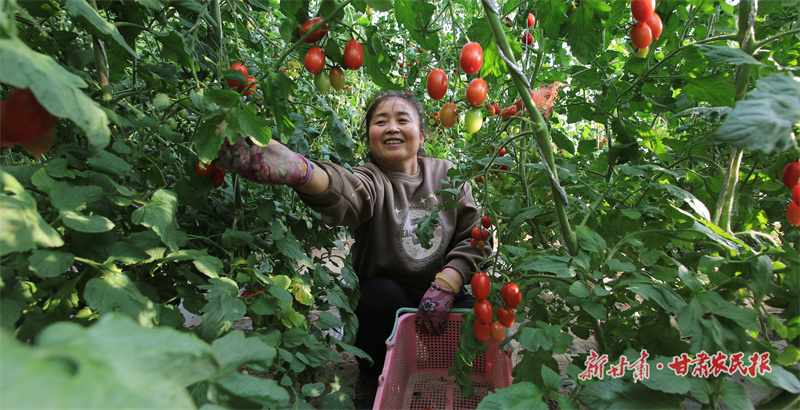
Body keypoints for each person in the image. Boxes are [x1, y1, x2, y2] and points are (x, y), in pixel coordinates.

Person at [217, 90, 491, 408]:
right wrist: (302, 172)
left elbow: (477, 235)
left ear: (422, 133)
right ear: (369, 139)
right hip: (392, 301)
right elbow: (347, 190)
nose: (391, 127)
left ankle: (461, 371)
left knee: (478, 320)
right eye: (380, 121)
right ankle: (374, 375)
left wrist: (450, 281)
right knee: (375, 297)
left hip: (447, 291)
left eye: (403, 119)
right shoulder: (372, 180)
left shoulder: (448, 175)